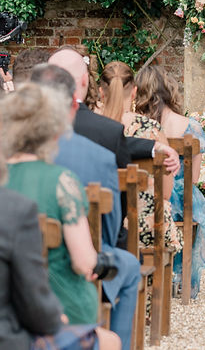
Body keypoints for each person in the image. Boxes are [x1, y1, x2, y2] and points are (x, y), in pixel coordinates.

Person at [0, 83, 121, 350]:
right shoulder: (62, 181)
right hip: (62, 304)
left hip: (10, 304)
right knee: (113, 341)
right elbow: (83, 262)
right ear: (54, 131)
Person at [31, 63, 143, 350]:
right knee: (128, 263)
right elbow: (109, 227)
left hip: (20, 273)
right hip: (78, 273)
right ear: (72, 104)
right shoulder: (98, 157)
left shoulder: (15, 154)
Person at [134, 65, 205, 298]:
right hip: (183, 204)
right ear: (169, 90)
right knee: (190, 199)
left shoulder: (138, 128)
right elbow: (196, 178)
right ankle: (183, 281)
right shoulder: (192, 128)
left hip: (148, 200)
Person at [48, 48, 179, 173]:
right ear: (84, 80)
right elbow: (106, 139)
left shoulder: (31, 120)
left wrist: (152, 147)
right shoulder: (104, 129)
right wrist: (156, 146)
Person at [96, 61, 182, 252]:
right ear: (134, 92)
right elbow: (165, 193)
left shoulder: (91, 128)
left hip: (99, 222)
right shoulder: (151, 130)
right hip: (147, 226)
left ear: (101, 92)